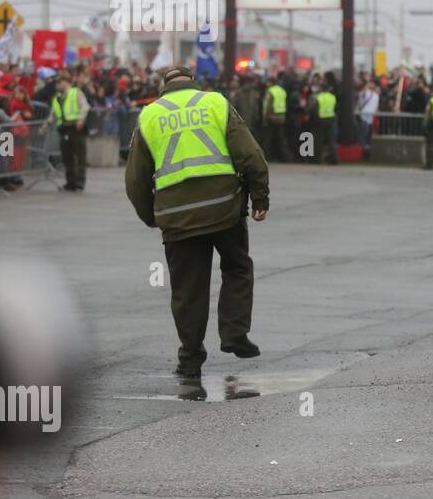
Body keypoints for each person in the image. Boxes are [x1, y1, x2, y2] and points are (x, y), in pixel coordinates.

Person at [125, 66, 271, 378]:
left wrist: (153, 216)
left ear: (164, 87)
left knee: (187, 290)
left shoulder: (149, 115)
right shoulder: (215, 103)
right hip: (224, 209)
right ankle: (234, 334)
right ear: (194, 82)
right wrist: (260, 197)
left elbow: (135, 180)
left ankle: (190, 359)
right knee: (237, 268)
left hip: (177, 218)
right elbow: (251, 155)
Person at [52, 73, 89, 191]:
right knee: (67, 157)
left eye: (59, 82)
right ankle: (70, 182)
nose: (57, 85)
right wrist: (45, 126)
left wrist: (81, 118)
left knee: (80, 157)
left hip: (76, 128)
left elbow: (85, 106)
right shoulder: (57, 97)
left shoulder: (76, 92)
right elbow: (53, 114)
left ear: (65, 82)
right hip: (64, 129)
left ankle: (79, 182)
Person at [309, 80, 337, 164]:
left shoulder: (319, 97)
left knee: (319, 140)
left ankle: (317, 159)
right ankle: (333, 159)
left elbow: (314, 110)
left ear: (321, 88)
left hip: (320, 120)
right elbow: (334, 107)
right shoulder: (332, 97)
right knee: (331, 140)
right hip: (331, 119)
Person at [261, 76, 289, 162]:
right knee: (281, 139)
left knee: (268, 139)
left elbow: (267, 107)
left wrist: (264, 119)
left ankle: (267, 157)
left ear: (270, 82)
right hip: (281, 117)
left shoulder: (270, 92)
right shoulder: (282, 91)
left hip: (271, 118)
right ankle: (285, 157)